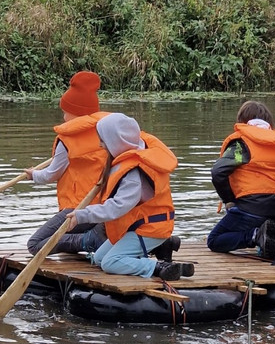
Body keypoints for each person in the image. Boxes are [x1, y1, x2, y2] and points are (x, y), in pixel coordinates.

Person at [61, 112, 195, 283]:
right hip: (137, 226)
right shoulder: (135, 152)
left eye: (103, 140)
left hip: (149, 228)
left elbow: (118, 207)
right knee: (100, 258)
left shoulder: (133, 172)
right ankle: (162, 249)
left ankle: (159, 267)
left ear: (116, 141)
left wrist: (82, 215)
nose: (100, 145)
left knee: (110, 263)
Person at [24, 70, 109, 257]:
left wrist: (33, 175)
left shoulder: (67, 140)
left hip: (79, 208)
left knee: (35, 245)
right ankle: (92, 237)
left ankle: (90, 240)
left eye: (65, 112)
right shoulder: (108, 132)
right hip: (105, 208)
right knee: (65, 248)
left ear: (75, 112)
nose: (63, 117)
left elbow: (51, 174)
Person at [206, 101, 275, 254]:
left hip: (252, 209)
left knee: (214, 240)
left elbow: (218, 172)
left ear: (242, 121)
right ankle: (271, 237)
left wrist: (229, 200)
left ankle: (255, 235)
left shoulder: (242, 144)